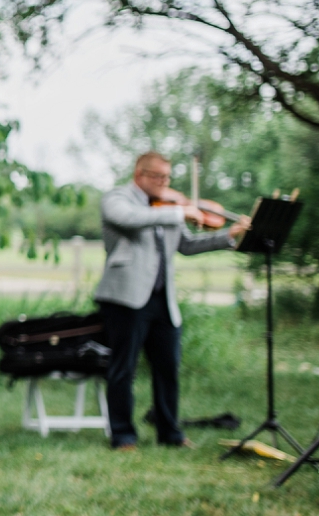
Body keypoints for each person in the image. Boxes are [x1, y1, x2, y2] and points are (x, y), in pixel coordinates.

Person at [95, 151, 248, 450]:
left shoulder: (168, 207)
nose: (164, 183)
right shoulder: (118, 198)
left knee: (168, 368)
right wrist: (180, 212)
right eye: (158, 177)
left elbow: (188, 245)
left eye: (167, 177)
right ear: (140, 174)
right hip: (125, 298)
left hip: (162, 300)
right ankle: (123, 435)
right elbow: (128, 218)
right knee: (123, 369)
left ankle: (170, 432)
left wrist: (229, 235)